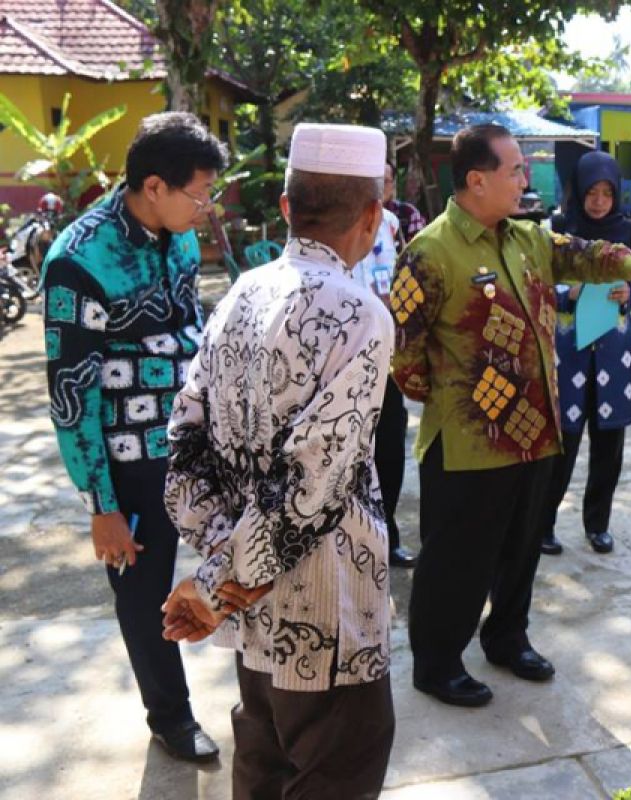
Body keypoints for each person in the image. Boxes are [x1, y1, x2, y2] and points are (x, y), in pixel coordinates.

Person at [391, 124, 631, 707]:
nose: (525, 179)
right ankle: (436, 661)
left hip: (538, 431)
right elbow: (404, 354)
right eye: (515, 171)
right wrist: (464, 400)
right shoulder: (429, 252)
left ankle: (506, 636)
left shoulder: (528, 238)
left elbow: (585, 254)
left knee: (521, 545)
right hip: (468, 442)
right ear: (477, 180)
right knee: (456, 559)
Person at [161, 123, 397, 796]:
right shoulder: (360, 313)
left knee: (263, 766)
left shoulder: (241, 292)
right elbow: (311, 488)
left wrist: (217, 572)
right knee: (335, 770)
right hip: (328, 616)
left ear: (288, 207)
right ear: (374, 213)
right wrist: (213, 587)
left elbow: (184, 443)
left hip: (252, 607)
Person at [40, 112, 226, 762]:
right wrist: (102, 506)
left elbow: (192, 334)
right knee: (145, 598)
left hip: (196, 450)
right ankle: (170, 719)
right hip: (129, 468)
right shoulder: (77, 261)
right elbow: (71, 395)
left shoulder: (176, 238)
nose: (206, 208)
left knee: (236, 567)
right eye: (199, 194)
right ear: (154, 185)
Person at [541, 150, 631, 556]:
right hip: (567, 354)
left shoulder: (628, 231)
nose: (599, 200)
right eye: (592, 192)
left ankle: (597, 524)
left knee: (609, 444)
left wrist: (630, 293)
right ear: (578, 191)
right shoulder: (556, 230)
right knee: (561, 446)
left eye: (607, 192)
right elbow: (535, 287)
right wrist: (568, 292)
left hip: (614, 353)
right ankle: (544, 524)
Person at [351, 181, 417, 568]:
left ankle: (387, 536)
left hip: (385, 350)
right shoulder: (329, 221)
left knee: (389, 446)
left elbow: (397, 275)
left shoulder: (390, 223)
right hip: (342, 354)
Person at [383, 161, 427, 247]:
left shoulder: (409, 213)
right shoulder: (356, 215)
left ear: (393, 185)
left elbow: (418, 253)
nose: (380, 186)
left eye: (385, 181)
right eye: (376, 180)